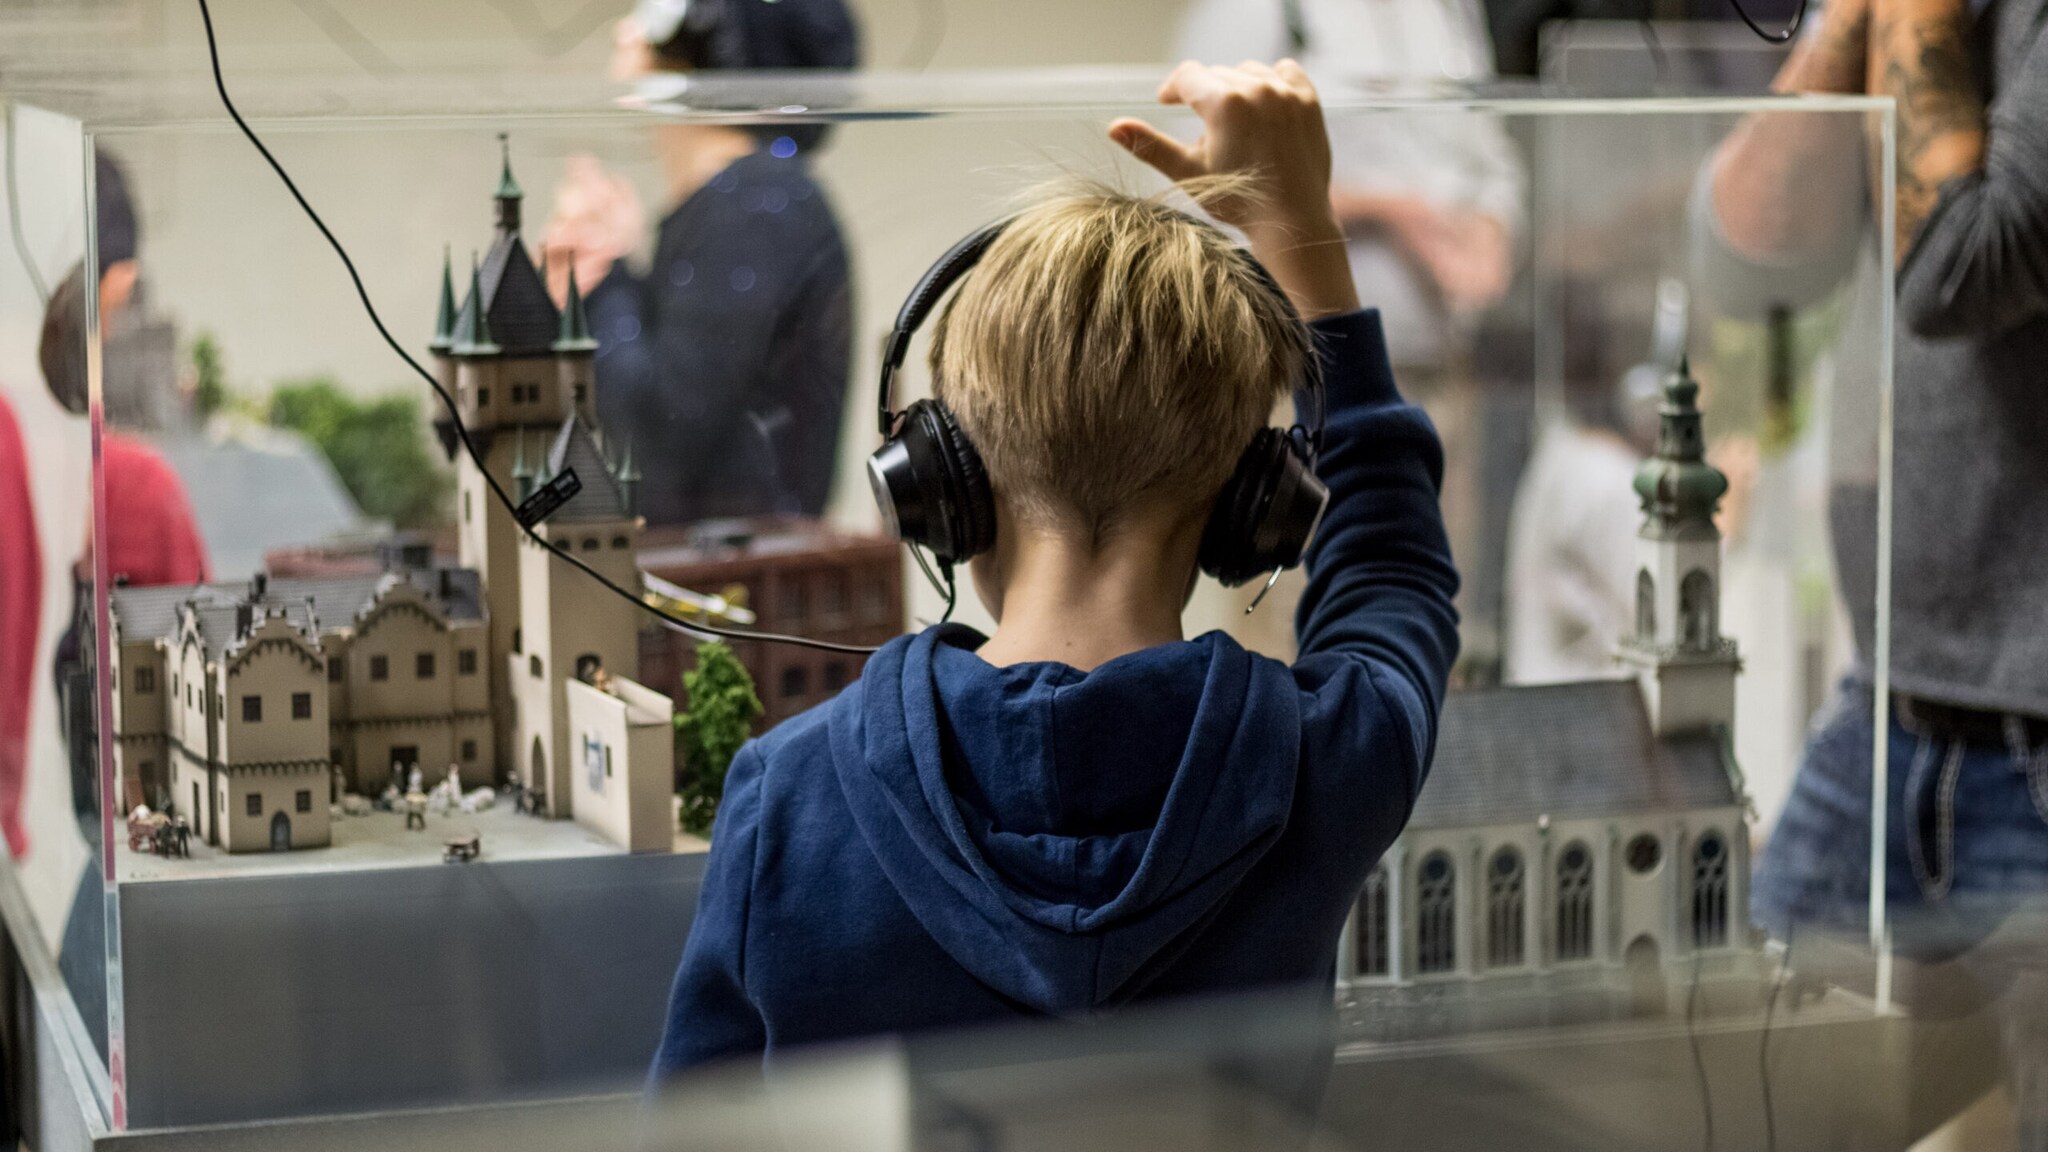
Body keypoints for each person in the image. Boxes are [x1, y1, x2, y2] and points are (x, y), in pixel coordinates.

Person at [651, 61, 1460, 1074]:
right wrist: (1302, 228)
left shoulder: (787, 794)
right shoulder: (1324, 766)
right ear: (1255, 504)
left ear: (941, 489)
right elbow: (1392, 562)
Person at [1701, 0, 2048, 1139]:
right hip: (1886, 708)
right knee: (1722, 1089)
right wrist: (1848, 20)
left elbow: (1959, 267)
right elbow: (1745, 258)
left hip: (2035, 734)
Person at [545, 0, 858, 527]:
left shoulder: (755, 204)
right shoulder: (744, 200)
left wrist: (601, 282)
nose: (627, 27)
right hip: (726, 572)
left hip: (739, 584)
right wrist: (609, 270)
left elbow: (660, 438)